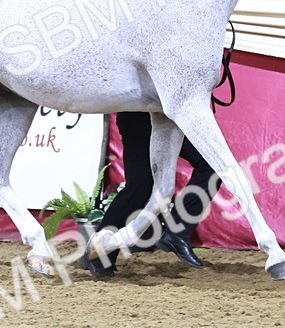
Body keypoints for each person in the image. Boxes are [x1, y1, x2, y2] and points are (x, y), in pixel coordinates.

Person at [85, 111, 223, 277]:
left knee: (211, 166)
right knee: (140, 187)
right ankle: (100, 253)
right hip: (140, 113)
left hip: (169, 116)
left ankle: (176, 232)